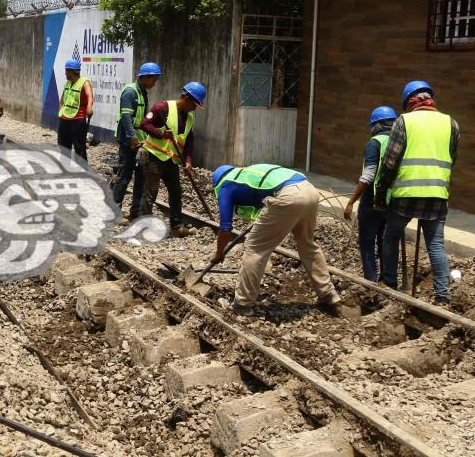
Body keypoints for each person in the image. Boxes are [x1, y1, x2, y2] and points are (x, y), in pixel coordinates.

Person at [210, 164, 341, 316]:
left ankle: (242, 303)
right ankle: (327, 293)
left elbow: (225, 227)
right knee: (307, 244)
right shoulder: (248, 174)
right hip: (310, 190)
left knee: (255, 247)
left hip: (289, 196)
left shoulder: (225, 186)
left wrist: (219, 252)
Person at [374, 80, 460, 304]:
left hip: (406, 194)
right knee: (436, 244)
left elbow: (390, 161)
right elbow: (452, 158)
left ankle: (390, 285)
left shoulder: (404, 121)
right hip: (437, 195)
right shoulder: (451, 123)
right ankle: (442, 297)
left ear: (408, 103)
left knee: (390, 237)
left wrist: (381, 193)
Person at [138, 82, 206, 238]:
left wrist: (188, 159)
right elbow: (144, 124)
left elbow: (189, 140)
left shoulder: (190, 118)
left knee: (176, 191)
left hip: (171, 160)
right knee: (151, 191)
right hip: (154, 156)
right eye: (194, 104)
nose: (195, 108)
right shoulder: (162, 108)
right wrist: (161, 134)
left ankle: (176, 226)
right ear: (186, 98)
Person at [344, 106, 397, 282]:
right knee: (386, 242)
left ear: (376, 125)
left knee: (367, 242)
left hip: (373, 200)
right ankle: (387, 280)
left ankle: (371, 281)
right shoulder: (401, 143)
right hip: (393, 201)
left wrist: (351, 202)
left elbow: (368, 175)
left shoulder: (374, 143)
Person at [112, 62, 161, 218]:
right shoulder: (130, 92)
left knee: (141, 177)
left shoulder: (143, 92)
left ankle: (136, 211)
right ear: (145, 77)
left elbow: (142, 119)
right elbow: (126, 117)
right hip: (129, 142)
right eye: (153, 80)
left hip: (139, 142)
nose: (154, 83)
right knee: (124, 177)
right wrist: (133, 138)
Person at [57, 59, 93, 161]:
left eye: (66, 71)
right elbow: (62, 99)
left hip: (78, 119)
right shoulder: (68, 83)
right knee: (63, 146)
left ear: (71, 71)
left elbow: (89, 95)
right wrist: (60, 112)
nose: (65, 73)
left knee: (79, 148)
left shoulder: (84, 82)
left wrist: (89, 107)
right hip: (64, 119)